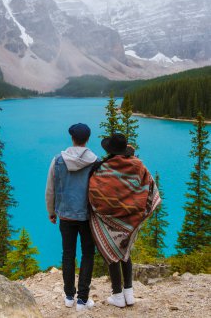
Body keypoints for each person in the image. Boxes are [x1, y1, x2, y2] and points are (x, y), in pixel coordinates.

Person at [89, 133, 161, 308]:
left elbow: (93, 192)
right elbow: (150, 186)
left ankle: (118, 295)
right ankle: (129, 293)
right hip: (131, 219)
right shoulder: (138, 165)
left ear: (110, 150)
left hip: (110, 219)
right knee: (126, 253)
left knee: (113, 255)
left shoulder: (103, 168)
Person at [45, 123, 98, 312]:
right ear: (87, 139)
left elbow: (50, 189)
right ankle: (82, 300)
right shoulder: (96, 162)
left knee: (68, 254)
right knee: (88, 254)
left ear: (72, 139)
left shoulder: (58, 160)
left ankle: (69, 297)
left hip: (66, 216)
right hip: (87, 217)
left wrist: (51, 211)